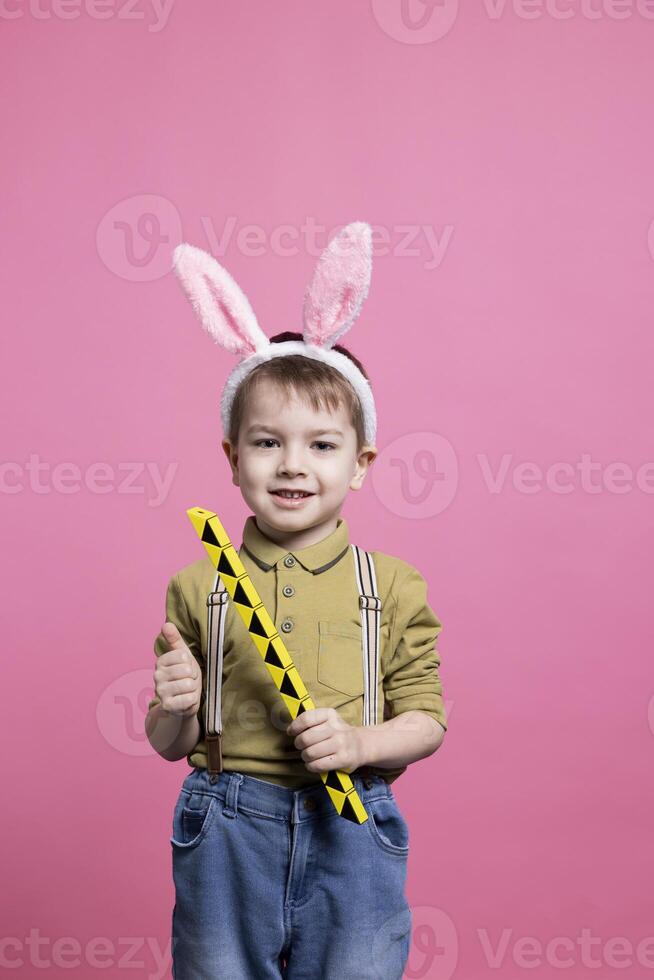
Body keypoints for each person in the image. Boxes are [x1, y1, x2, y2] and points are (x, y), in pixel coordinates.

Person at [144, 222, 448, 979]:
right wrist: (176, 705)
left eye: (321, 445)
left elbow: (428, 719)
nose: (293, 465)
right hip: (225, 827)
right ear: (233, 455)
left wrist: (361, 745)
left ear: (361, 463)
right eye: (267, 442)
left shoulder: (394, 587)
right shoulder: (198, 586)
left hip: (350, 823)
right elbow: (168, 742)